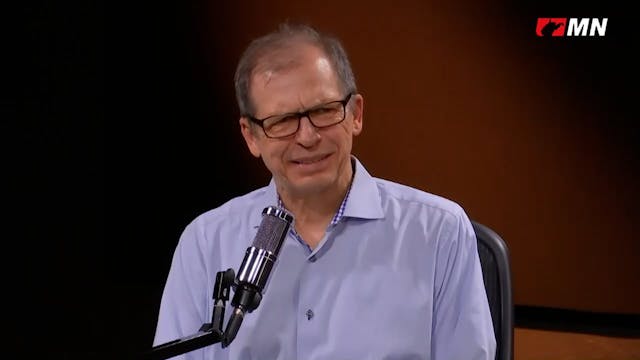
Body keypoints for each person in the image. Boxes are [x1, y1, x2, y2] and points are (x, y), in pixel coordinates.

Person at [153, 22, 496, 359]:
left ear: (355, 114)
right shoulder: (206, 241)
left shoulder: (438, 232)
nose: (307, 137)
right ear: (251, 136)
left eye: (323, 111)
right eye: (282, 121)